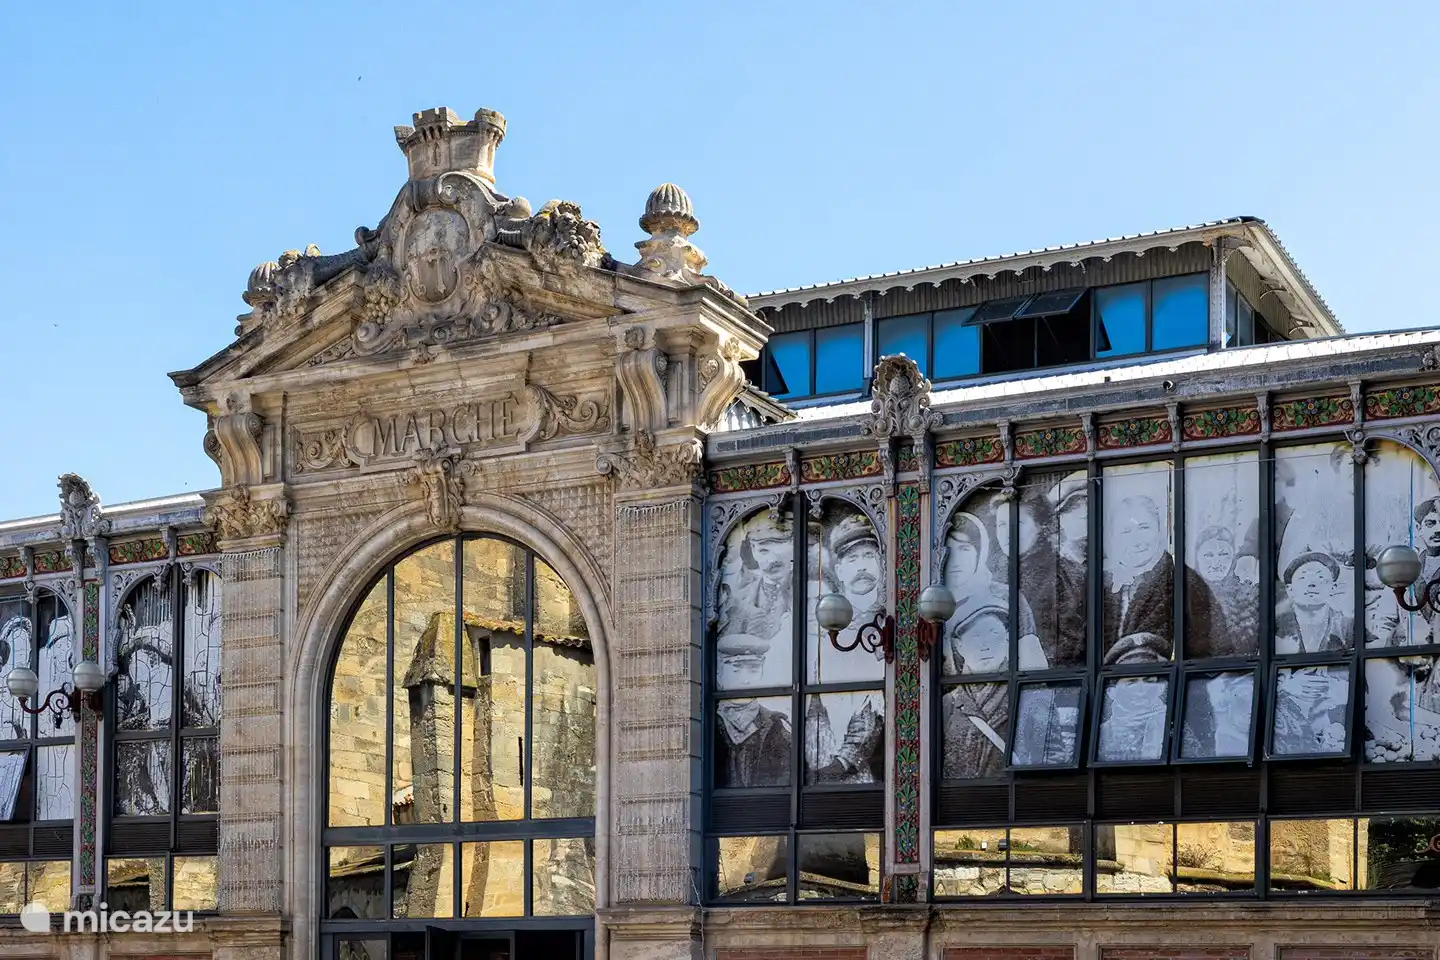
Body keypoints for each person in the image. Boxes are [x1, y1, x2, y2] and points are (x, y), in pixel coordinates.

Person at [941, 512, 1041, 674]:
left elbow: (1032, 661)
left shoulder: (1007, 596)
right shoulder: (933, 603)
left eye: (964, 549)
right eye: (948, 551)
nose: (955, 560)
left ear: (980, 552)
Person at [717, 514, 793, 688]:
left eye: (779, 548)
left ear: (793, 546)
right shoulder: (739, 600)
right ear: (753, 550)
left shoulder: (815, 591)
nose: (772, 560)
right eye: (764, 551)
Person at [941, 605, 1012, 777]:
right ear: (959, 646)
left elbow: (1050, 759)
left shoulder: (1027, 697)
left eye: (993, 635)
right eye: (975, 637)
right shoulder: (947, 704)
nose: (984, 646)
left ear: (1007, 640)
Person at [713, 634, 792, 787]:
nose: (746, 680)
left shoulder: (775, 725)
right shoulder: (709, 722)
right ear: (719, 673)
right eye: (736, 670)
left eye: (753, 670)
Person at [1190, 525, 1259, 657]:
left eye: (1223, 554)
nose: (1216, 563)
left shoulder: (1249, 595)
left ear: (1233, 557)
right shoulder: (1187, 596)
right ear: (1197, 558)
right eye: (1208, 555)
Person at [1274, 552, 1352, 654]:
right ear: (1290, 589)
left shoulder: (1348, 626)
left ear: (1333, 588)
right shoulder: (1276, 627)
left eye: (1320, 578)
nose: (1311, 584)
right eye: (1303, 578)